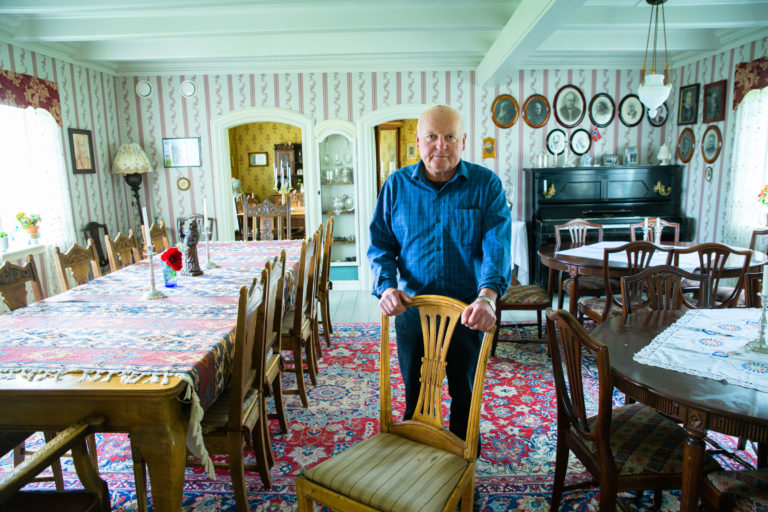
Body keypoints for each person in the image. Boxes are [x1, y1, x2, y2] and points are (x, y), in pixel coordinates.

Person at [368, 105, 511, 467]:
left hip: (468, 311)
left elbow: (497, 246)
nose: (440, 146)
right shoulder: (396, 186)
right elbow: (380, 245)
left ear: (463, 141)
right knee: (416, 395)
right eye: (431, 136)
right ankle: (417, 471)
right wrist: (386, 287)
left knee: (465, 395)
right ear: (418, 141)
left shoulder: (486, 185)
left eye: (450, 137)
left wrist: (488, 297)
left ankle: (463, 474)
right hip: (413, 311)